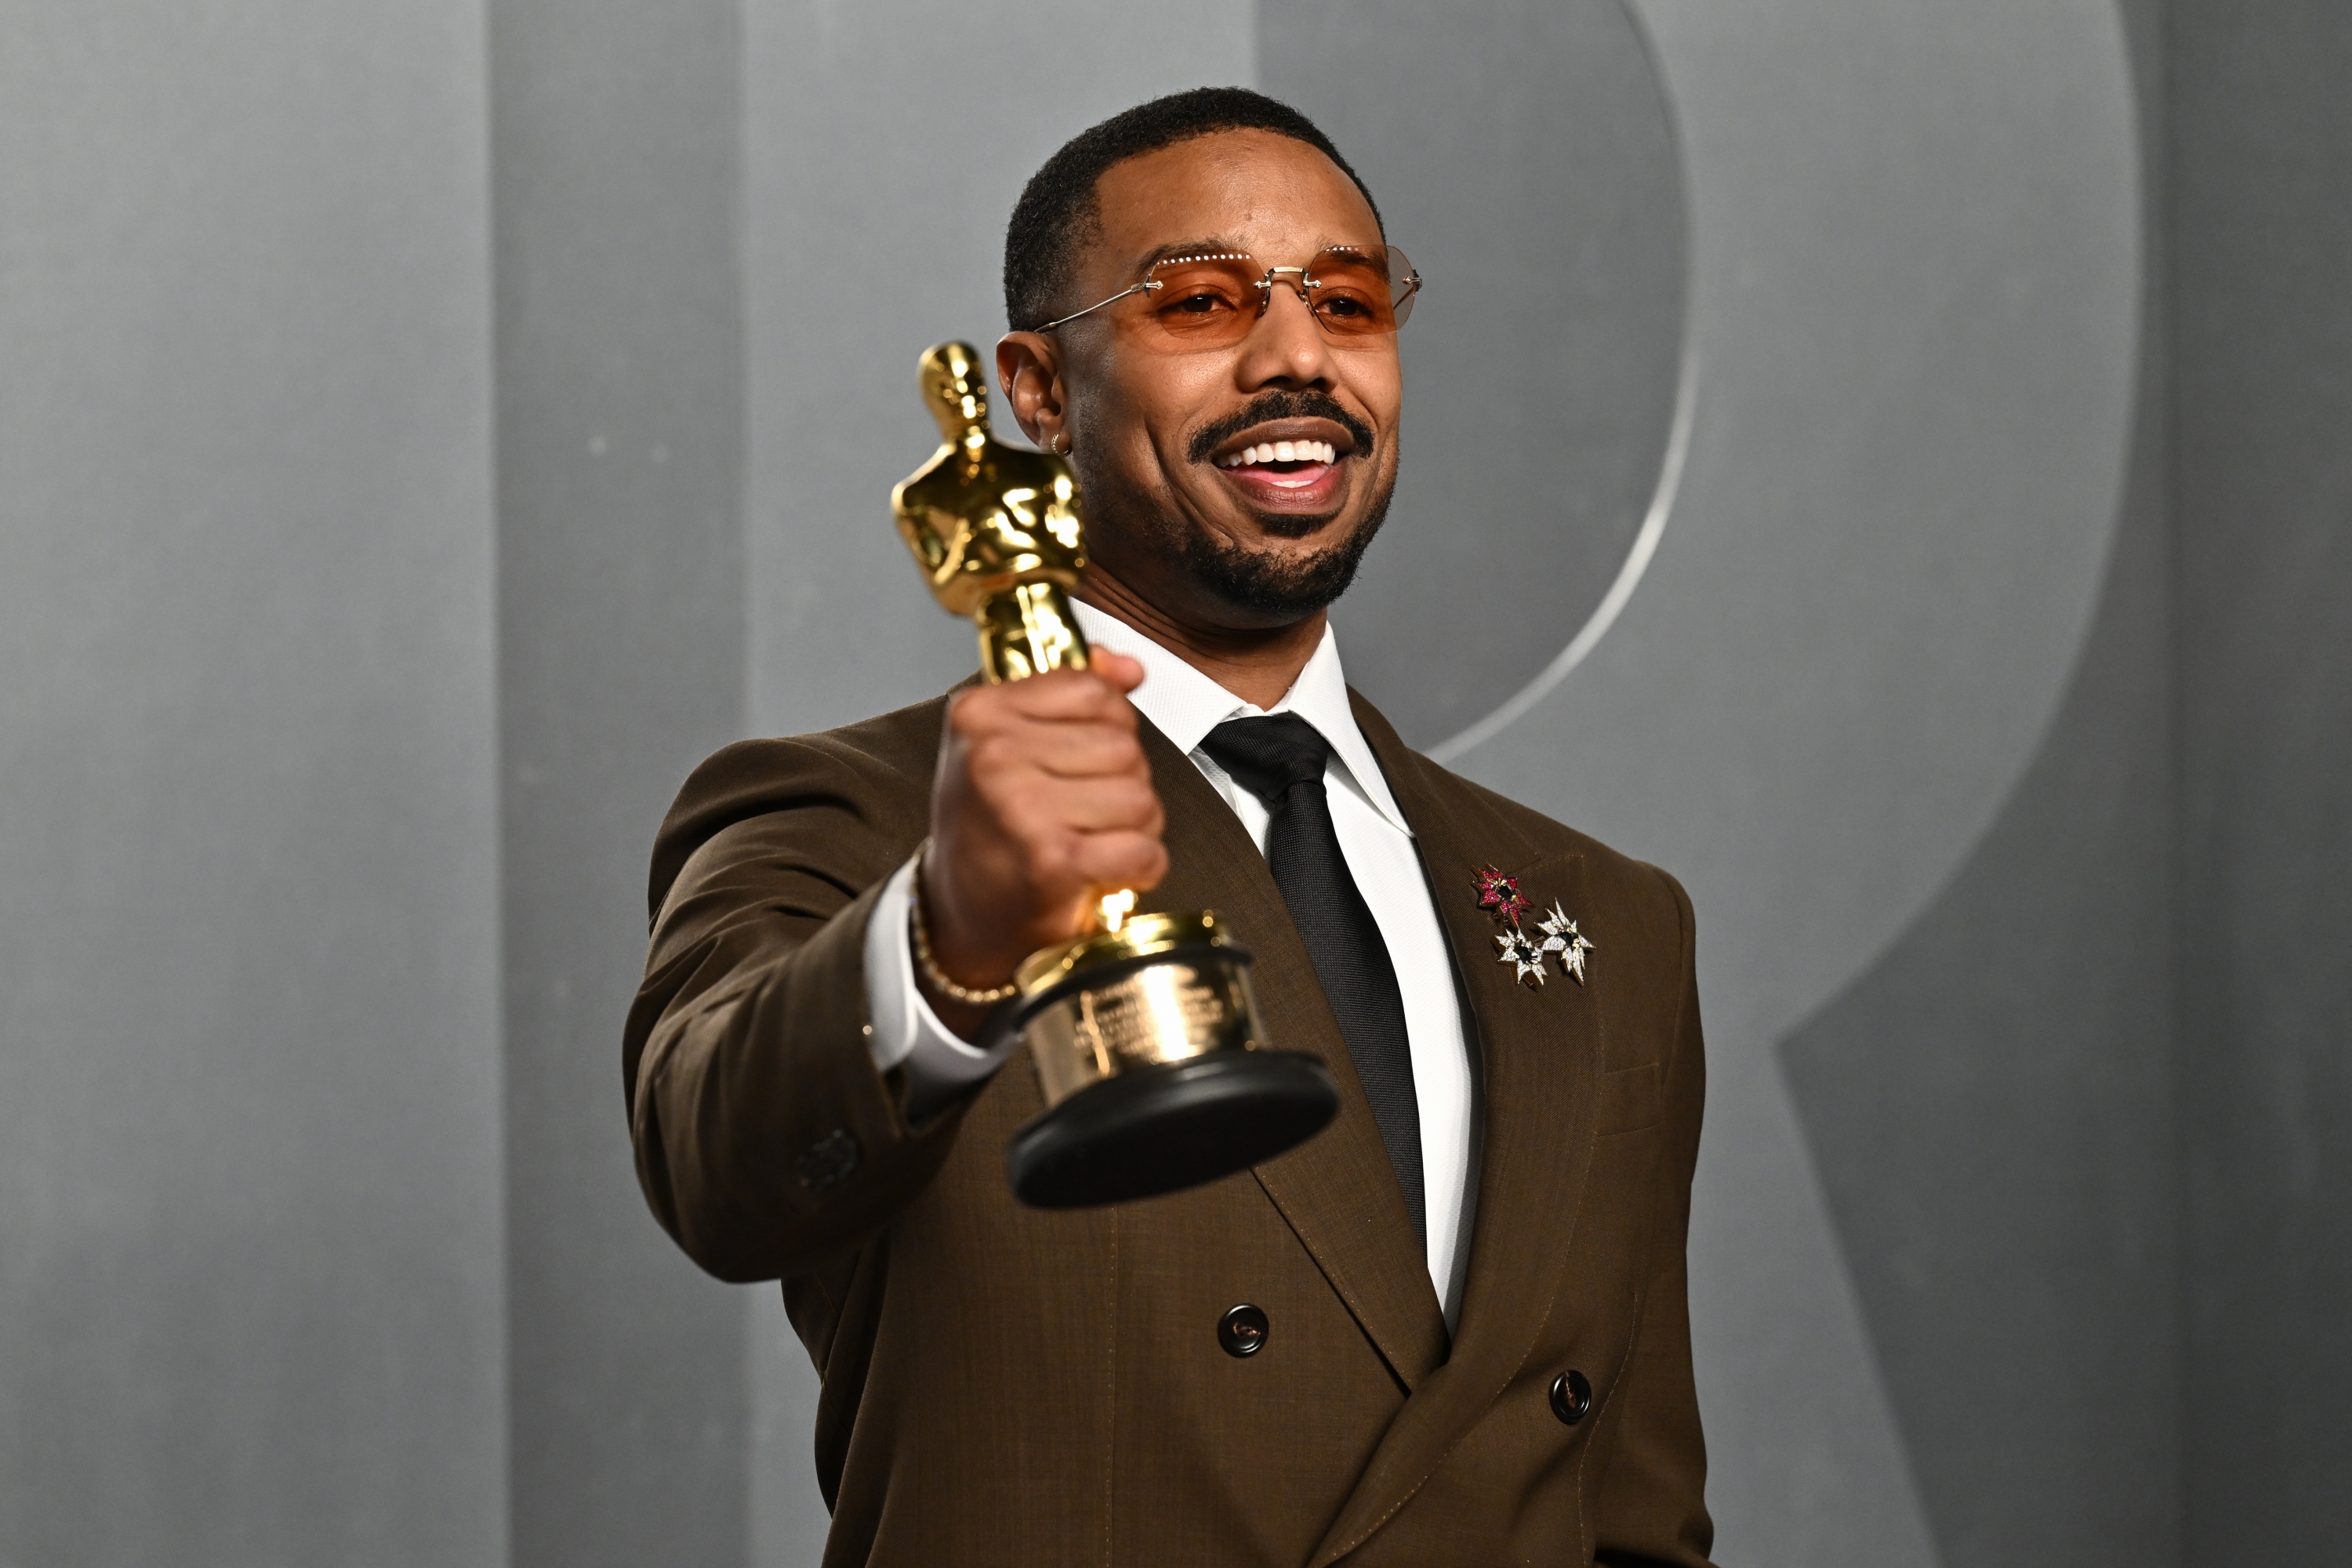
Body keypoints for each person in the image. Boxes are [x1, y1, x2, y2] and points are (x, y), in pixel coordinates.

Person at [626, 86, 1713, 1567]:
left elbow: (1640, 1513)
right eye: (1198, 301)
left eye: (1348, 299)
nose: (1297, 356)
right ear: (1037, 388)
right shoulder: (857, 818)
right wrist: (953, 931)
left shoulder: (1612, 922)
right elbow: (719, 1164)